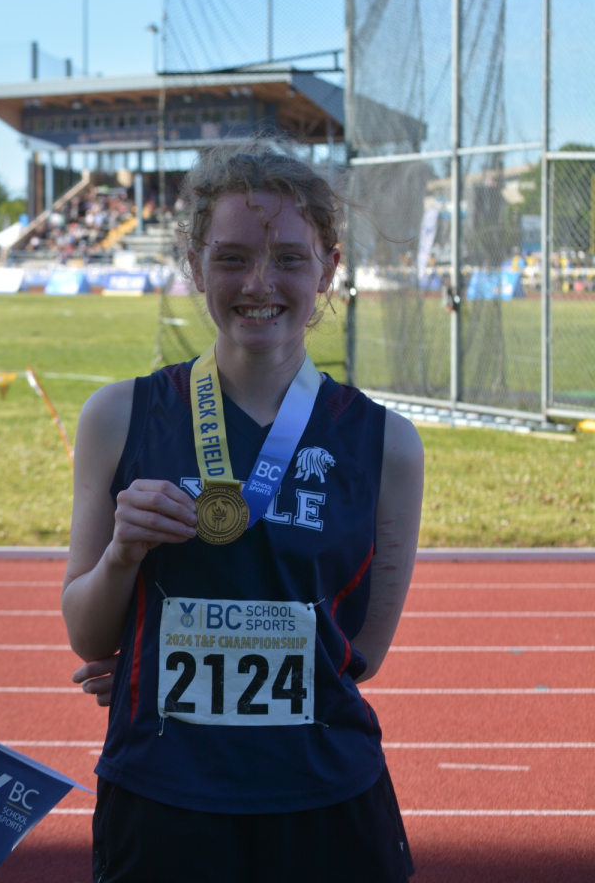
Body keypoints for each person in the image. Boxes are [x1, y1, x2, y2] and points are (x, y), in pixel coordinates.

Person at [62, 139, 424, 883]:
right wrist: (123, 555)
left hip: (325, 797)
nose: (260, 283)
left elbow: (362, 652)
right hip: (163, 797)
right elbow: (86, 633)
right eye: (231, 258)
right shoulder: (119, 417)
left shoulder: (386, 443)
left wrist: (206, 657)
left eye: (289, 258)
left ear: (329, 268)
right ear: (196, 267)